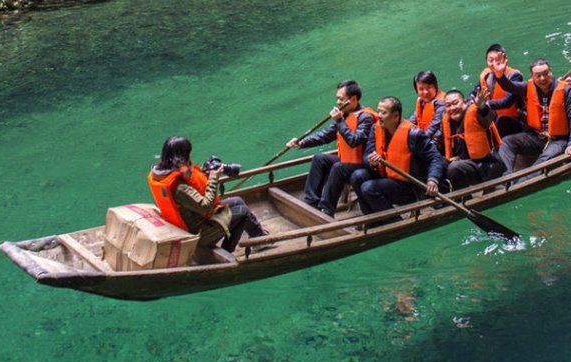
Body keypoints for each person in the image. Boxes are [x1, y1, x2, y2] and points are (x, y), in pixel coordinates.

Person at [148, 136, 265, 257]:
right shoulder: (178, 187)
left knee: (238, 201)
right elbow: (205, 207)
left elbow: (190, 180)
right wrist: (213, 178)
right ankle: (226, 252)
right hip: (197, 232)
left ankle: (258, 236)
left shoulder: (164, 172)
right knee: (243, 212)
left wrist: (204, 174)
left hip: (189, 220)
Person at [285, 80, 376, 216]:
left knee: (338, 167)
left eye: (341, 99)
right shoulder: (345, 114)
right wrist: (301, 143)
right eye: (337, 99)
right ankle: (310, 202)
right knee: (319, 159)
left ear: (353, 99)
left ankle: (326, 209)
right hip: (347, 162)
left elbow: (354, 141)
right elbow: (325, 135)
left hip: (363, 165)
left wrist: (339, 121)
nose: (338, 102)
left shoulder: (366, 118)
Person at [352, 96, 444, 215]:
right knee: (357, 176)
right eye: (378, 111)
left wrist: (433, 179)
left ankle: (392, 220)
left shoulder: (414, 134)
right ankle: (371, 219)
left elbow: (435, 157)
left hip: (409, 186)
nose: (378, 115)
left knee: (368, 187)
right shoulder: (376, 129)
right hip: (386, 177)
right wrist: (372, 163)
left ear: (396, 116)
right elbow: (366, 156)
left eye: (383, 112)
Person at [491, 56, 571, 170]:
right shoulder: (528, 87)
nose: (543, 78)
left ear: (551, 72)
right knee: (506, 142)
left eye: (546, 74)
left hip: (558, 139)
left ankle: (522, 183)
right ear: (533, 77)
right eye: (538, 76)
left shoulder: (565, 90)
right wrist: (500, 75)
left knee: (544, 160)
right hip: (537, 137)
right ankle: (504, 178)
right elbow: (510, 87)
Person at [440, 89, 506, 190]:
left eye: (455, 103)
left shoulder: (476, 114)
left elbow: (488, 118)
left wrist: (482, 108)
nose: (452, 108)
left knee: (455, 167)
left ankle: (462, 198)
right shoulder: (448, 122)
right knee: (435, 163)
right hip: (464, 166)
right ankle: (443, 200)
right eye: (448, 105)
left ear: (465, 102)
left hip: (486, 165)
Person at [473, 44, 525, 136]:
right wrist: (471, 101)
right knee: (474, 113)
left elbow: (508, 101)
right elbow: (475, 92)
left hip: (516, 120)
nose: (494, 64)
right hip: (495, 117)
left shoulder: (515, 76)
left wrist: (487, 104)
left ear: (504, 60)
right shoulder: (486, 75)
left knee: (500, 120)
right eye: (490, 60)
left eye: (497, 60)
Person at [409, 70, 446, 148]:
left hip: (438, 142)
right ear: (417, 90)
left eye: (429, 88)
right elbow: (412, 120)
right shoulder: (422, 102)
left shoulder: (442, 104)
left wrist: (420, 143)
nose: (425, 92)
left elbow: (433, 128)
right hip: (426, 138)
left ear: (435, 87)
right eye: (421, 89)